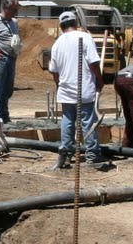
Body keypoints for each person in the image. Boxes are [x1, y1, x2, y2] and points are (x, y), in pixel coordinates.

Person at [48, 11, 112, 172]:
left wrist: (59, 85)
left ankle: (66, 153)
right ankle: (92, 154)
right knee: (87, 120)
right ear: (75, 23)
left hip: (66, 89)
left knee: (68, 120)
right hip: (84, 88)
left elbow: (54, 71)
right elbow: (94, 63)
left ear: (61, 26)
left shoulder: (57, 43)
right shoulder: (84, 37)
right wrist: (100, 79)